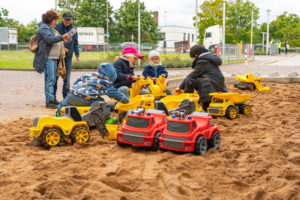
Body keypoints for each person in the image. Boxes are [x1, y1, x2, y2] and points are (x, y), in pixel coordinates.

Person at [56, 63, 129, 124]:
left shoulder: (89, 75)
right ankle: (107, 119)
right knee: (102, 103)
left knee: (63, 103)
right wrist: (125, 100)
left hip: (72, 94)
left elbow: (78, 81)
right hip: (86, 98)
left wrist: (76, 89)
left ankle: (57, 116)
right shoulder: (105, 82)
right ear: (113, 74)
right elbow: (116, 94)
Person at [33, 10, 69, 109]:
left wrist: (62, 45)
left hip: (53, 58)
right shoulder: (44, 28)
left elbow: (54, 40)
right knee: (50, 79)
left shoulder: (50, 28)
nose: (56, 22)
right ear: (50, 19)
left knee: (52, 80)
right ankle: (49, 101)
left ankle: (52, 99)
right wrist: (62, 37)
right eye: (55, 20)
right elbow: (50, 39)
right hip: (48, 58)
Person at [176, 44, 227, 109]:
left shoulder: (203, 62)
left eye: (193, 58)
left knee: (189, 81)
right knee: (195, 80)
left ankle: (188, 103)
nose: (193, 60)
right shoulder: (208, 58)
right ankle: (196, 101)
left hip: (213, 87)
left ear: (196, 55)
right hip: (216, 85)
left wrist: (180, 87)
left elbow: (192, 75)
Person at [55, 12, 80, 101]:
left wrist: (77, 55)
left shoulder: (73, 29)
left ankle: (65, 99)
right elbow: (55, 40)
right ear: (62, 19)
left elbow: (76, 43)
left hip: (68, 57)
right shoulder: (57, 27)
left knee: (67, 79)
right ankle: (53, 98)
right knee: (56, 77)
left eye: (69, 20)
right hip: (58, 56)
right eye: (66, 19)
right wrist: (62, 48)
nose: (68, 21)